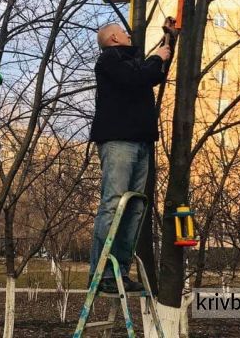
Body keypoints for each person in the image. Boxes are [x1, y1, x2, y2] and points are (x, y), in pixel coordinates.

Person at [88, 21, 172, 293]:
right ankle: (101, 274)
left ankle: (118, 273)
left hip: (140, 142)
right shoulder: (109, 60)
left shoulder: (131, 63)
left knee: (134, 208)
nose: (128, 35)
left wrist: (168, 41)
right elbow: (136, 78)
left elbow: (152, 75)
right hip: (118, 142)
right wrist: (155, 58)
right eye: (123, 33)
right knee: (113, 204)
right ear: (113, 38)